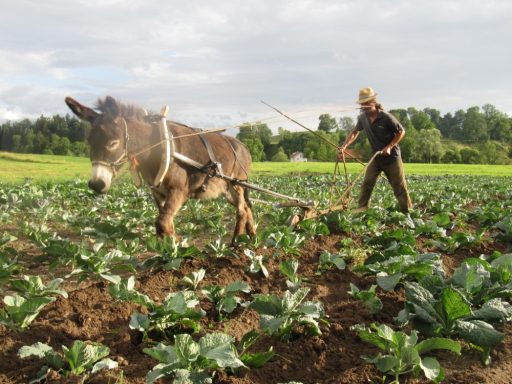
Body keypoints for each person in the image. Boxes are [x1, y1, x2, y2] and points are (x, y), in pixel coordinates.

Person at [338, 87, 412, 212]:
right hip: (376, 158)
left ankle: (408, 211)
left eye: (366, 103)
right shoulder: (362, 118)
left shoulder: (386, 117)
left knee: (398, 186)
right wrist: (344, 146)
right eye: (362, 104)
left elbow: (401, 131)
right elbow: (354, 132)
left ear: (373, 101)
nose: (364, 106)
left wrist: (389, 147)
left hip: (392, 158)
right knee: (367, 183)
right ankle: (362, 209)